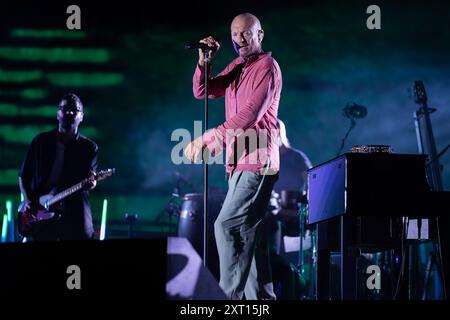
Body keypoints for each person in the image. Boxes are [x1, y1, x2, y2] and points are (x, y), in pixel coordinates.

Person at [185, 13, 282, 300]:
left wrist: (210, 138)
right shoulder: (237, 67)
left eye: (246, 33)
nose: (240, 39)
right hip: (238, 163)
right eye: (235, 34)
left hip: (258, 161)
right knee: (251, 237)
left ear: (260, 35)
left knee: (228, 226)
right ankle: (261, 300)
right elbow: (203, 90)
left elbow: (250, 115)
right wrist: (205, 62)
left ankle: (229, 299)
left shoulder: (268, 67)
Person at [18, 93, 98, 241]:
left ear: (82, 117)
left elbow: (89, 177)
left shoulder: (89, 147)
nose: (69, 113)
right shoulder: (40, 142)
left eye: (75, 110)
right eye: (65, 109)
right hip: (41, 210)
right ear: (57, 114)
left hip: (74, 211)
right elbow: (23, 176)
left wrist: (91, 184)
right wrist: (28, 201)